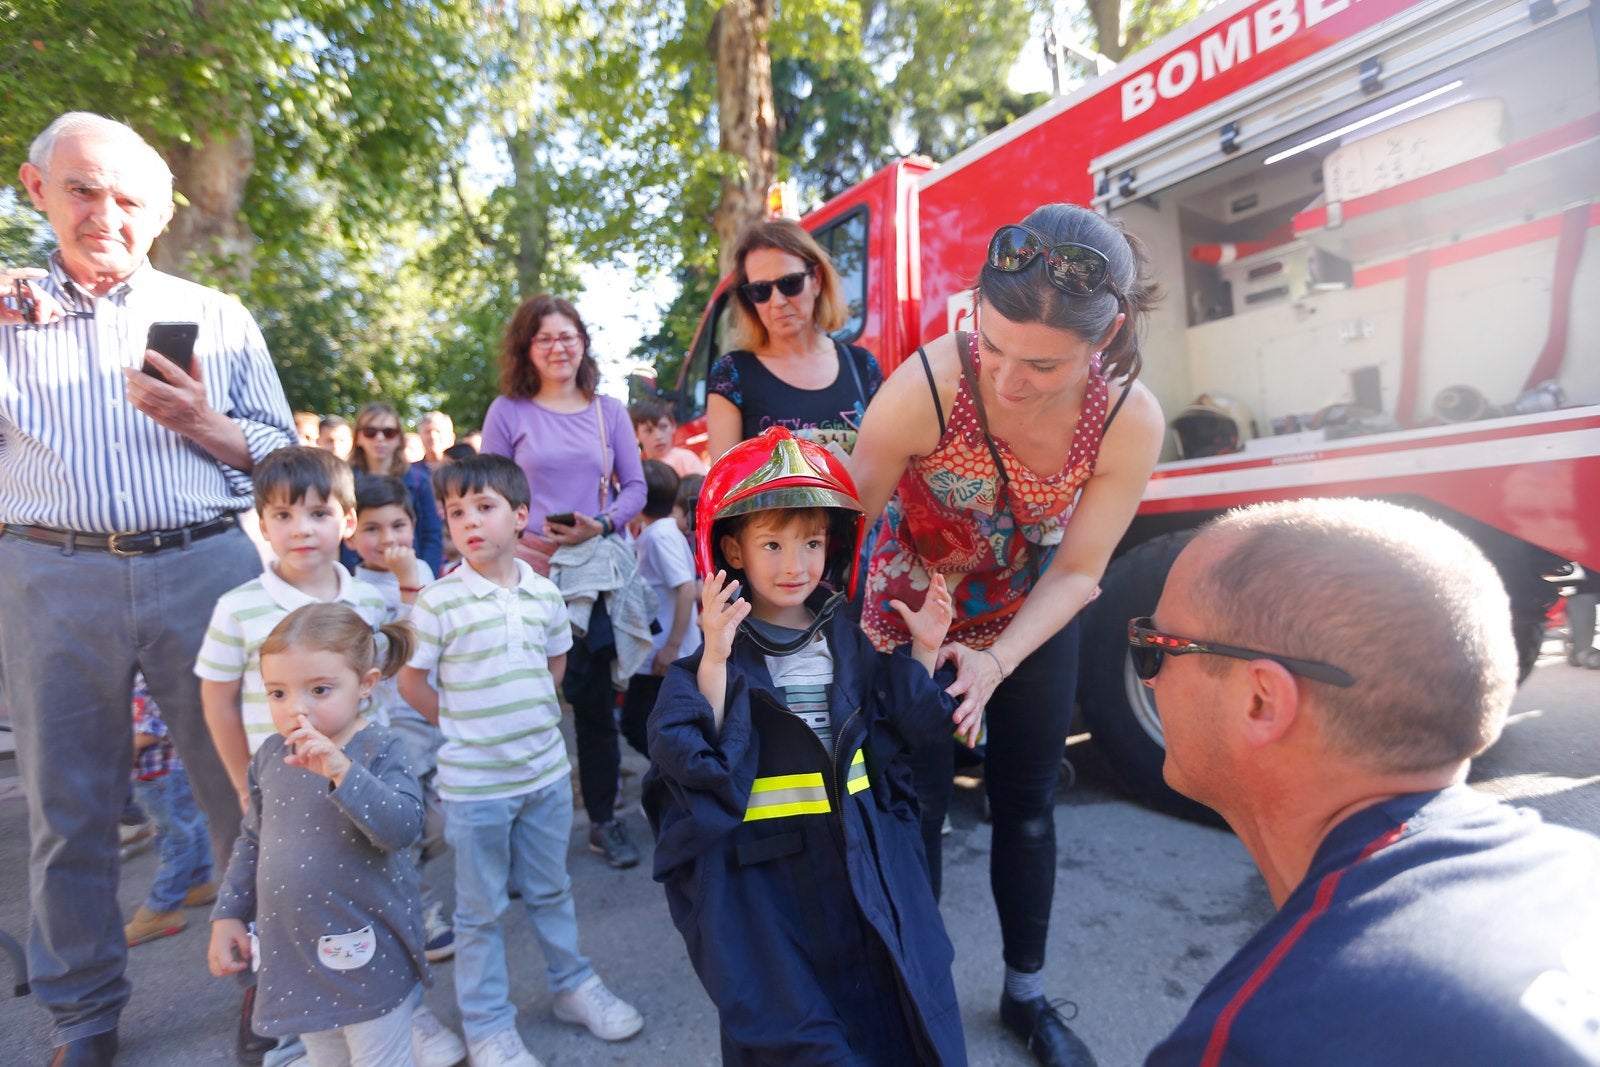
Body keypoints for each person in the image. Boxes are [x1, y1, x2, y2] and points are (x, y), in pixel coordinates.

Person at [0, 111, 295, 1065]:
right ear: (34, 187)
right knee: (67, 807)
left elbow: (289, 465)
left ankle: (268, 984)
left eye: (129, 198)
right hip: (52, 571)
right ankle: (82, 1016)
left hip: (205, 563)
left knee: (247, 789)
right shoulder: (4, 313)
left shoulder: (217, 315)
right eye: (83, 188)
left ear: (161, 215)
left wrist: (207, 423)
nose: (105, 215)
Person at [847, 202, 1165, 1067]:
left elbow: (1077, 570)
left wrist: (996, 658)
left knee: (1026, 806)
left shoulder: (1130, 418)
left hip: (1029, 612)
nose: (1008, 379)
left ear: (1107, 338)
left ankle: (1026, 995)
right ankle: (920, 1000)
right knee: (912, 812)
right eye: (990, 344)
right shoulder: (923, 387)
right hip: (909, 611)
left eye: (1045, 363)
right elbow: (843, 540)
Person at [1140, 498, 1600, 1066]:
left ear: (1261, 700)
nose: (1151, 681)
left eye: (1155, 649)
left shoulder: (1264, 1037)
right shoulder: (1580, 867)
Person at [643, 426, 971, 1064]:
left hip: (862, 867)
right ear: (731, 551)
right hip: (768, 890)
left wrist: (924, 651)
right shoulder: (720, 655)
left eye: (812, 542)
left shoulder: (847, 640)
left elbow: (903, 741)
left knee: (896, 1016)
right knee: (795, 1034)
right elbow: (696, 750)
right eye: (772, 544)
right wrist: (713, 651)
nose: (795, 565)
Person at [398, 454, 644, 1067]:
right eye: (456, 512)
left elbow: (553, 670)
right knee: (478, 913)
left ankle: (571, 985)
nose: (469, 522)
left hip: (543, 777)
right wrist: (463, 726)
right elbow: (411, 683)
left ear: (521, 516)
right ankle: (487, 1027)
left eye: (485, 507)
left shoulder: (544, 594)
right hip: (475, 788)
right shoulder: (437, 601)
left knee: (552, 889)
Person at [208, 603, 440, 1067]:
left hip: (365, 949)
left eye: (319, 689)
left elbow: (403, 829)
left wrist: (342, 771)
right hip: (297, 954)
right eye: (277, 693)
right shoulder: (273, 756)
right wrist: (227, 913)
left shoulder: (378, 748)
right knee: (325, 1056)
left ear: (366, 685)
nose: (297, 708)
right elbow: (253, 839)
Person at [480, 293, 651, 870]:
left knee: (595, 704)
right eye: (546, 338)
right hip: (524, 572)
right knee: (521, 701)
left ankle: (603, 820)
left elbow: (636, 488)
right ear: (527, 348)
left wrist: (598, 524)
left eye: (569, 336)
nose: (559, 347)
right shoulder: (508, 411)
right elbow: (489, 491)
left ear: (583, 343)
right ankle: (512, 833)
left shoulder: (609, 411)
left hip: (593, 577)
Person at [345, 474, 458, 968]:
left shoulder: (426, 572)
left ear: (415, 524)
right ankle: (417, 909)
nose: (388, 540)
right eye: (372, 529)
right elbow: (395, 654)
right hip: (393, 729)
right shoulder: (354, 593)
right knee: (408, 828)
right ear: (350, 534)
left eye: (398, 524)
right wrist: (410, 586)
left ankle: (392, 889)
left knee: (441, 823)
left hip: (435, 718)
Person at [705, 219, 884, 464]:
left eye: (790, 283)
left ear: (817, 280)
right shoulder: (731, 374)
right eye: (760, 290)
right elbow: (725, 487)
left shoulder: (862, 365)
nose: (777, 301)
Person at [124, 674, 216, 948]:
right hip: (173, 769)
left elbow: (146, 732)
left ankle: (163, 907)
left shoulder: (140, 682)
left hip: (156, 774)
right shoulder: (162, 671)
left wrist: (115, 758)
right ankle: (197, 883)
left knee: (174, 836)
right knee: (188, 825)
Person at [619, 460, 701, 757]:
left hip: (664, 656)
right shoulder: (658, 532)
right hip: (658, 652)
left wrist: (671, 647)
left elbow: (687, 588)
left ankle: (673, 786)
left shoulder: (660, 535)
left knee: (638, 726)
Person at [348, 400, 444, 577]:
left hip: (412, 572)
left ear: (399, 438)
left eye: (388, 432)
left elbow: (432, 535)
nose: (380, 438)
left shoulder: (418, 480)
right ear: (359, 438)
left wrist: (427, 580)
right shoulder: (345, 481)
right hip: (357, 575)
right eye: (370, 432)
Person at [629, 397, 707, 478]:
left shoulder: (686, 459)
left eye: (663, 427)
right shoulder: (637, 470)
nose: (658, 436)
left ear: (673, 426)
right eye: (649, 431)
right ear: (636, 434)